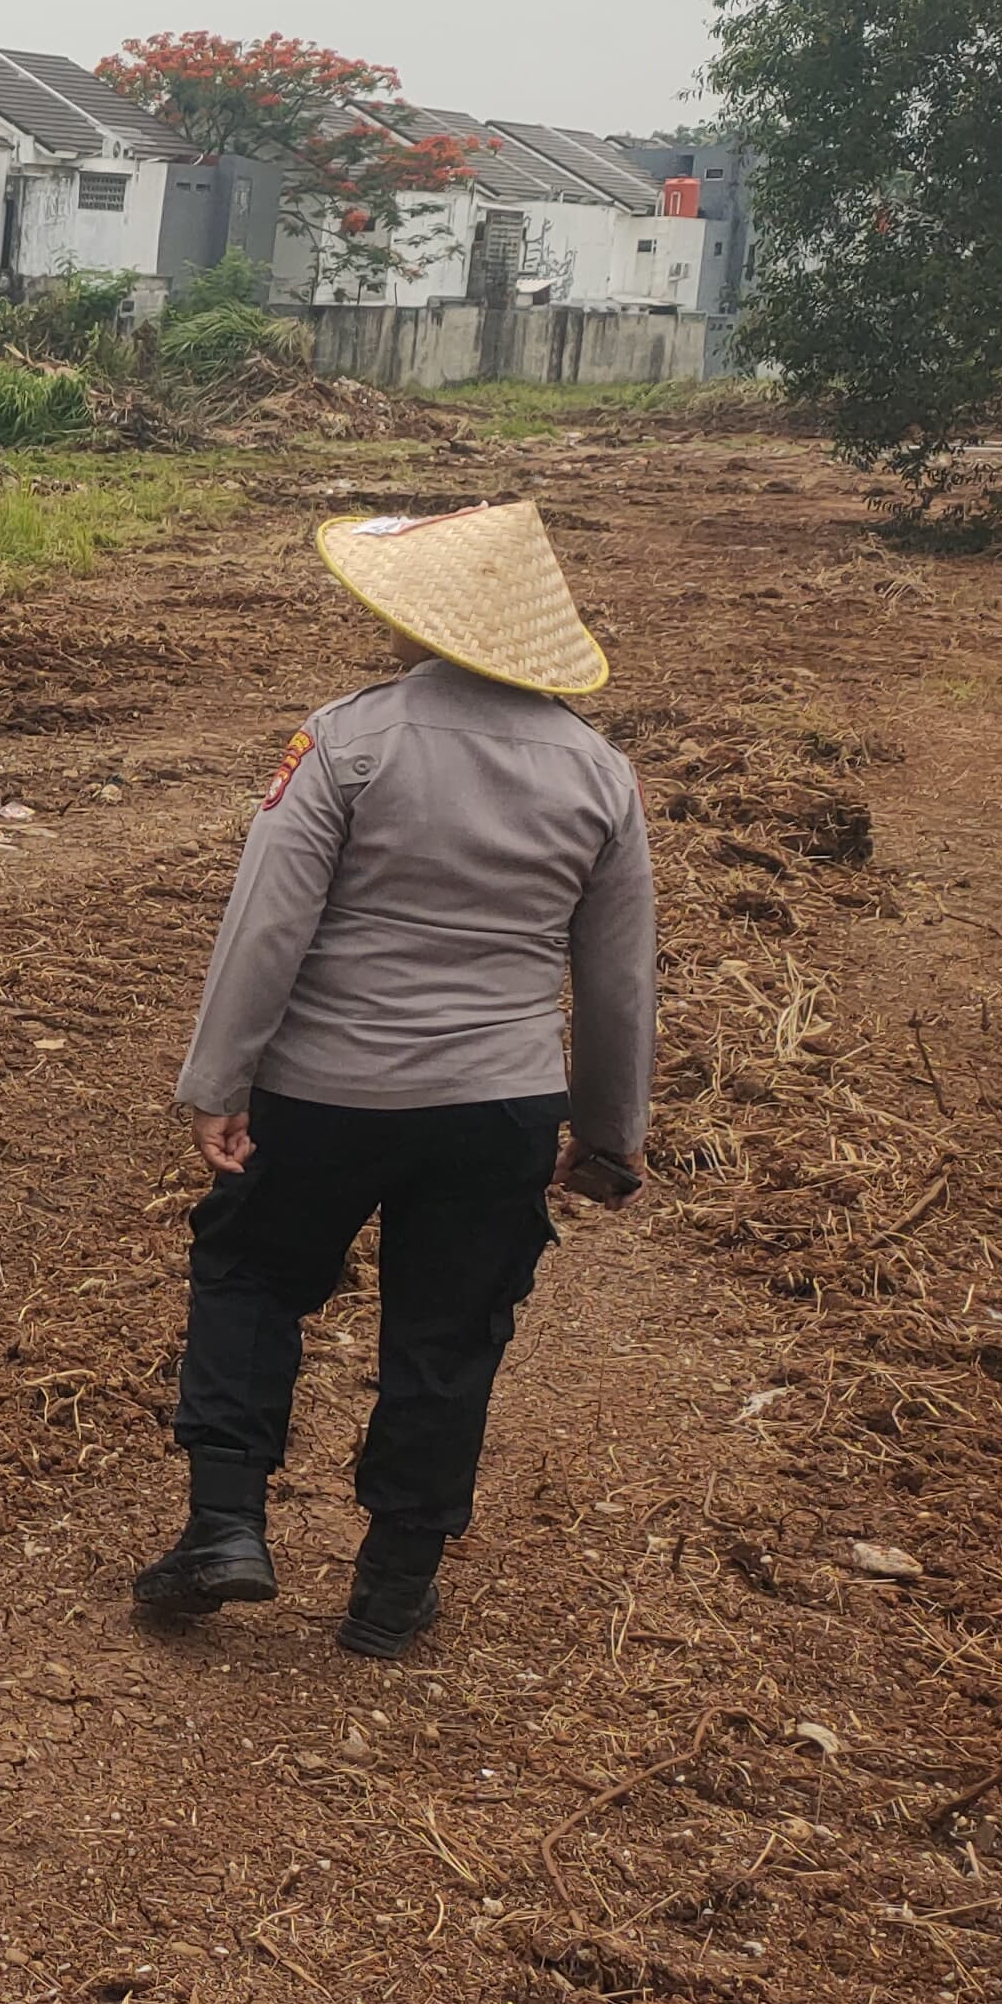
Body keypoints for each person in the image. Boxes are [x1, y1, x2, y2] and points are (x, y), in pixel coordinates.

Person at [134, 500, 655, 1660]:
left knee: (250, 1277)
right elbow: (617, 983)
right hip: (499, 1109)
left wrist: (219, 1080)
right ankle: (392, 1587)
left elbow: (266, 926)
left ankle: (225, 1527)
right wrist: (609, 1136)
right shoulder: (598, 774)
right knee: (448, 1330)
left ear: (419, 620)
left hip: (325, 1093)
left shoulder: (345, 739)